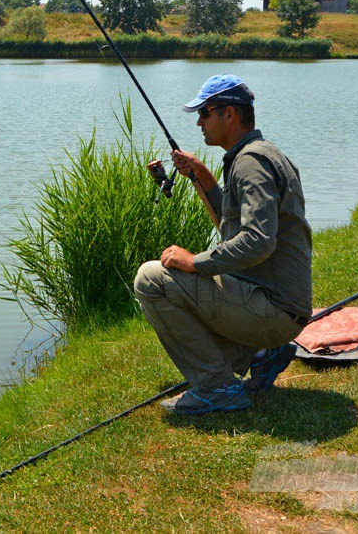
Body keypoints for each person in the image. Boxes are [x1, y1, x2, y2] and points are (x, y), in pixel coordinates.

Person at [134, 74, 312, 415]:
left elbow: (258, 241)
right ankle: (261, 354)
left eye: (205, 113)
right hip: (278, 303)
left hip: (275, 309)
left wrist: (194, 262)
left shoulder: (250, 165)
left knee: (151, 279)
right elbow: (236, 231)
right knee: (173, 278)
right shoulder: (258, 154)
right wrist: (202, 176)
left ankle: (218, 388)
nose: (200, 122)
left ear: (229, 114)